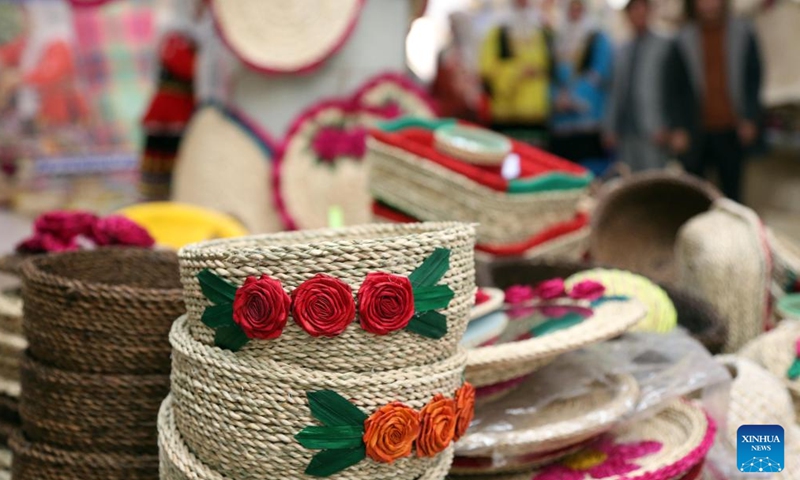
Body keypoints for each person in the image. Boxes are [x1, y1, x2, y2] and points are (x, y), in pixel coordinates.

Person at [666, 0, 762, 202]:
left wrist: (750, 117)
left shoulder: (742, 33)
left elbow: (753, 79)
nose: (709, 4)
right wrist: (677, 127)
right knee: (694, 196)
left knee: (731, 195)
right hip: (695, 131)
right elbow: (674, 88)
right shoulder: (683, 40)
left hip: (730, 129)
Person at [603, 0, 671, 172]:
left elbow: (674, 91)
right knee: (630, 181)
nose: (638, 13)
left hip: (653, 131)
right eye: (633, 9)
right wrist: (610, 127)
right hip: (626, 133)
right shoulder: (622, 49)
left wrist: (667, 125)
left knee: (654, 179)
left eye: (642, 8)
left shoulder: (666, 44)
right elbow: (615, 91)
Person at [479, 0, 554, 145]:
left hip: (536, 113)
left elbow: (550, 67)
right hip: (506, 113)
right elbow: (486, 69)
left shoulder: (543, 32)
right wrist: (518, 71)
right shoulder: (498, 32)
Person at [549, 0, 613, 168]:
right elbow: (551, 75)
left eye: (579, 8)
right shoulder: (557, 39)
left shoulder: (596, 37)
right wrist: (556, 98)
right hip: (561, 123)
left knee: (589, 169)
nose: (574, 12)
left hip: (588, 120)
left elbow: (600, 73)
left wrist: (574, 97)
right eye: (571, 8)